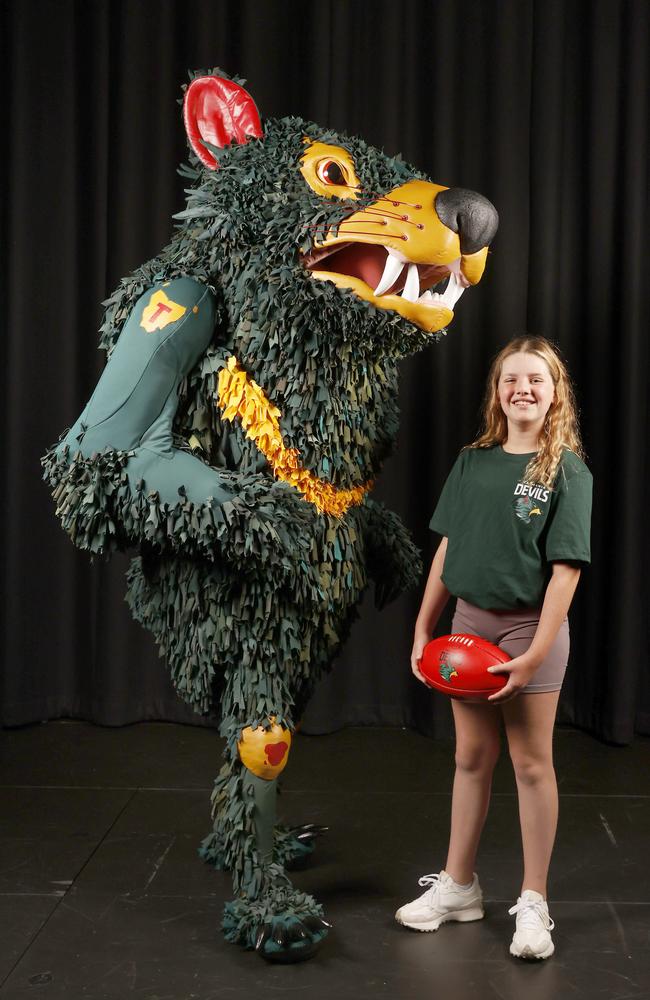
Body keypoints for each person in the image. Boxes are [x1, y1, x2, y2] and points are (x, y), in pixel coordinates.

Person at [395, 335, 592, 961]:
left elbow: (566, 572)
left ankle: (534, 902)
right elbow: (448, 552)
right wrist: (425, 628)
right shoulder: (473, 462)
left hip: (528, 629)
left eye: (536, 379)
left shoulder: (566, 469)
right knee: (470, 759)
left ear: (554, 392)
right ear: (497, 393)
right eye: (511, 380)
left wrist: (535, 652)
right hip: (469, 628)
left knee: (532, 764)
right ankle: (459, 887)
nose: (523, 390)